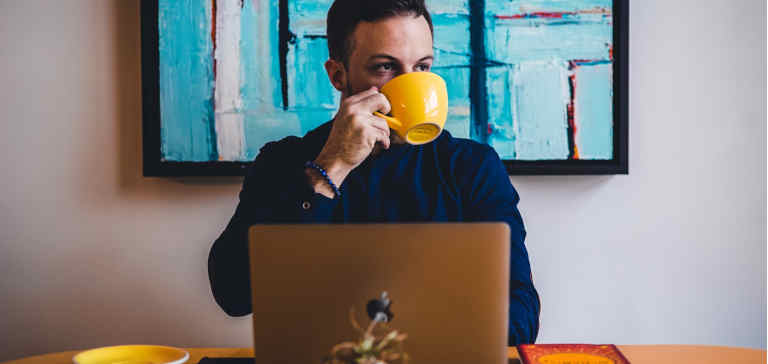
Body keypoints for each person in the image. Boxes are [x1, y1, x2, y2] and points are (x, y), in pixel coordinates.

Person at [207, 0, 540, 345]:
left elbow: (522, 314)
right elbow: (233, 294)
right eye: (385, 67)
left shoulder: (471, 168)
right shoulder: (283, 162)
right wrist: (328, 172)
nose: (411, 84)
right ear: (338, 75)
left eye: (422, 67)